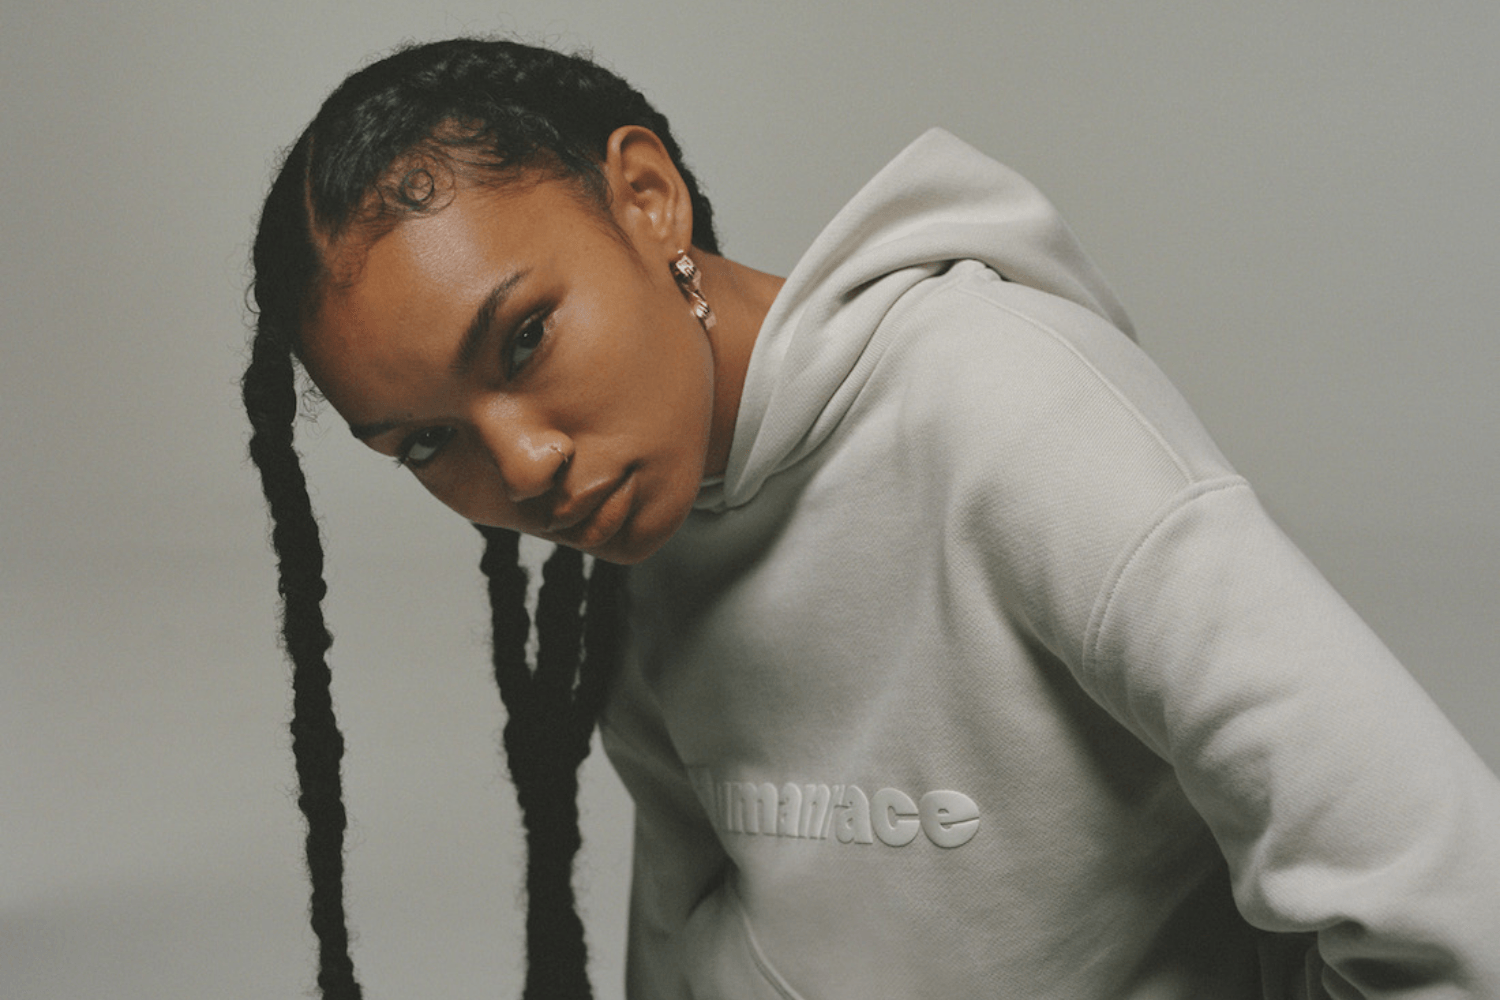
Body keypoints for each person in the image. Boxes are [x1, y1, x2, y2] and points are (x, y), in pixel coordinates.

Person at [243, 37, 1500, 1000]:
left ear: (646, 197)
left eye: (523, 337)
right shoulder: (645, 540)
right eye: (425, 443)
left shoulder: (1009, 413)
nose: (522, 466)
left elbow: (1451, 904)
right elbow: (683, 951)